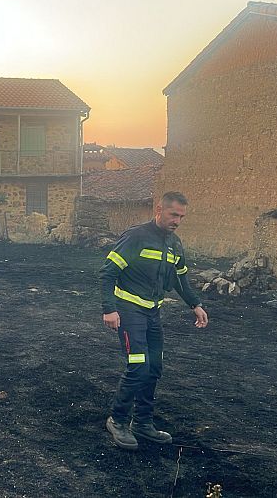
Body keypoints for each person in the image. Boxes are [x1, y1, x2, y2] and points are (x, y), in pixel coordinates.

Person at [99, 191, 208, 450]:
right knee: (138, 365)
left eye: (181, 217)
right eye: (173, 215)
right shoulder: (136, 236)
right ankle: (118, 420)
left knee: (154, 367)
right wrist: (109, 309)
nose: (177, 221)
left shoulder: (175, 244)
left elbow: (181, 279)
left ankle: (143, 423)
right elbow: (108, 272)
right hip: (129, 311)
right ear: (159, 210)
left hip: (153, 314)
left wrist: (196, 304)